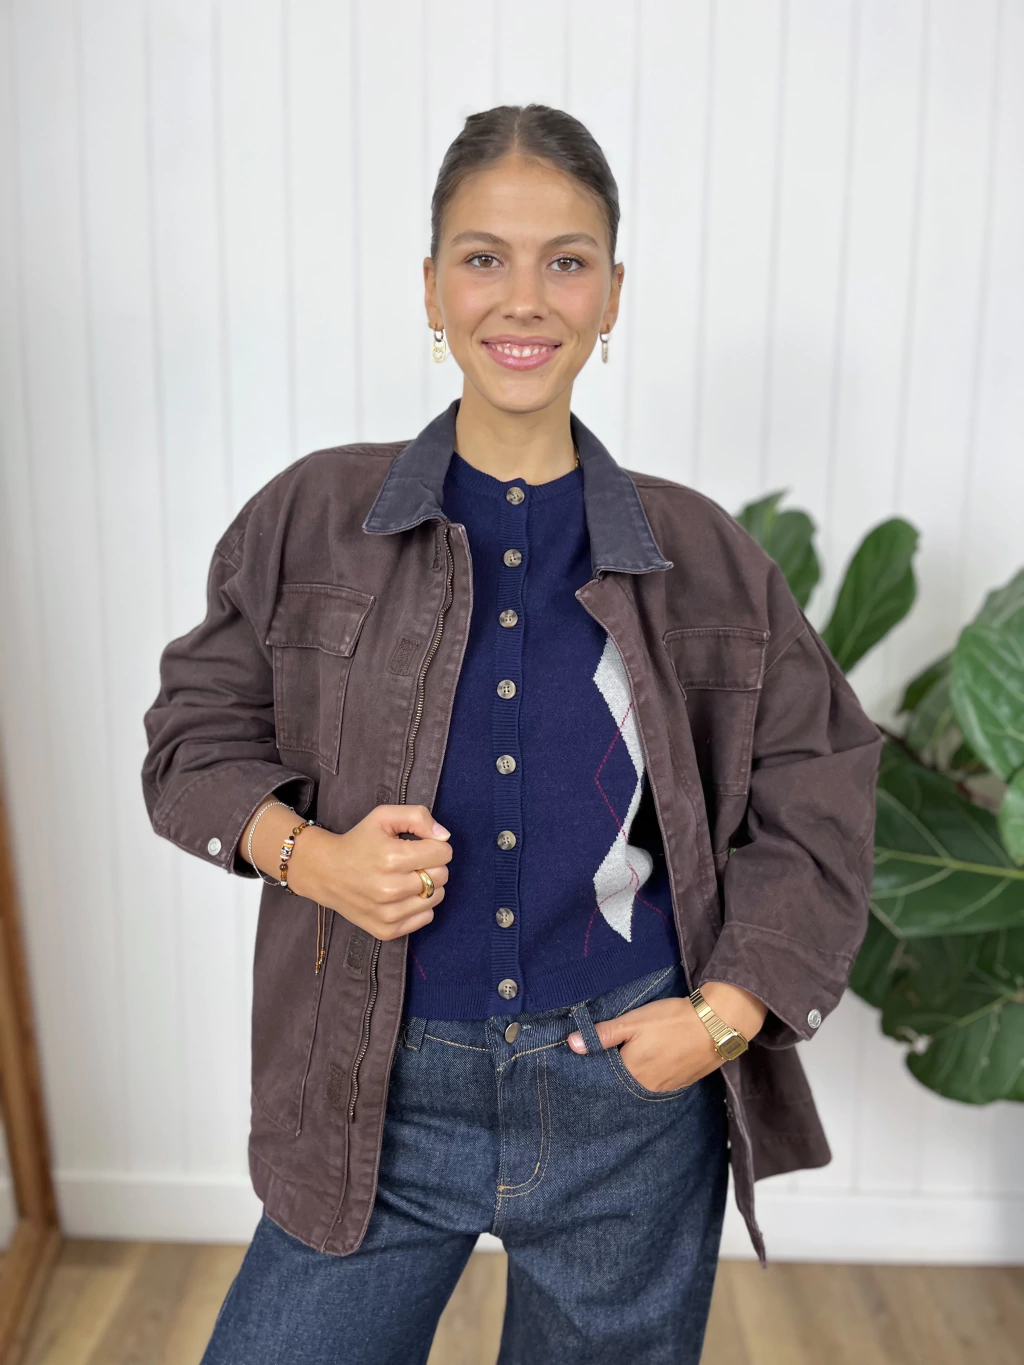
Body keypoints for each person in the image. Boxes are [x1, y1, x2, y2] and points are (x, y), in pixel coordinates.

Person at [142, 104, 883, 1365]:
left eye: (567, 261)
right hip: (371, 1091)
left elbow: (820, 785)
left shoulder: (703, 554)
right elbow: (190, 742)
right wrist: (312, 858)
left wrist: (722, 1017)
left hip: (626, 1096)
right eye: (483, 258)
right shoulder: (310, 516)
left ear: (612, 294)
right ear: (431, 288)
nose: (523, 298)